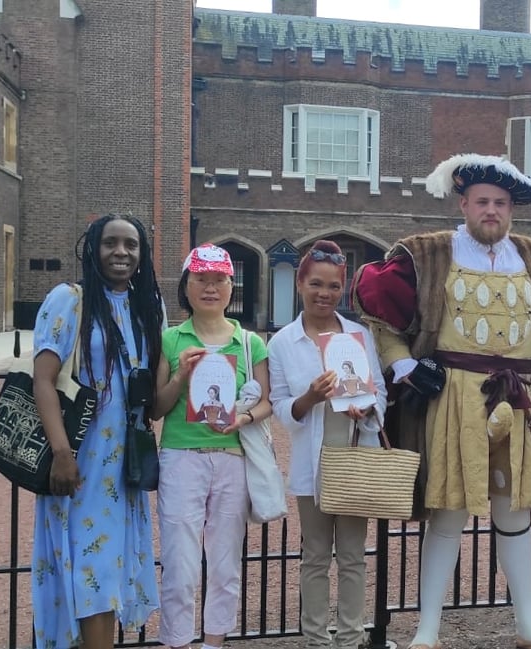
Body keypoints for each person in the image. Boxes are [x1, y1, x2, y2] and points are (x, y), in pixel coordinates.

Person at [354, 154, 531, 649]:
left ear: (512, 209)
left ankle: (530, 628)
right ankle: (427, 633)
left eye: (500, 203)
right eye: (482, 201)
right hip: (453, 399)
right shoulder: (425, 255)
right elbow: (383, 323)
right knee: (448, 512)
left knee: (513, 513)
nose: (491, 211)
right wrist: (402, 365)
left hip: (520, 398)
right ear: (463, 203)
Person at [29, 213, 164, 649]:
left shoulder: (149, 307)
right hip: (80, 456)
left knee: (109, 567)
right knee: (90, 566)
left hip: (124, 459)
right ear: (93, 249)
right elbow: (43, 380)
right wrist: (62, 452)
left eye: (131, 244)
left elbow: (154, 388)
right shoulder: (69, 300)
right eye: (110, 243)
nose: (121, 252)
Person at [149, 243, 272, 649]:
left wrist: (243, 418)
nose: (210, 287)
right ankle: (177, 642)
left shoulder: (249, 342)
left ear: (230, 286)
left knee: (224, 563)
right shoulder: (170, 339)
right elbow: (157, 408)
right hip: (182, 457)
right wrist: (180, 376)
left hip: (232, 458)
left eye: (219, 279)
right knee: (180, 561)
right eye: (201, 279)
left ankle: (214, 642)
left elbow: (268, 401)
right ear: (186, 286)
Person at [268, 240, 389, 649]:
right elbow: (281, 407)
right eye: (316, 284)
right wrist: (311, 398)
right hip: (312, 461)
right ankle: (317, 640)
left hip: (355, 454)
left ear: (344, 288)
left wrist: (367, 409)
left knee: (353, 556)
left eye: (334, 286)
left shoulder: (358, 334)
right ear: (300, 283)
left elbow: (380, 392)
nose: (325, 293)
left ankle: (352, 638)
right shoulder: (283, 342)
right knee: (316, 557)